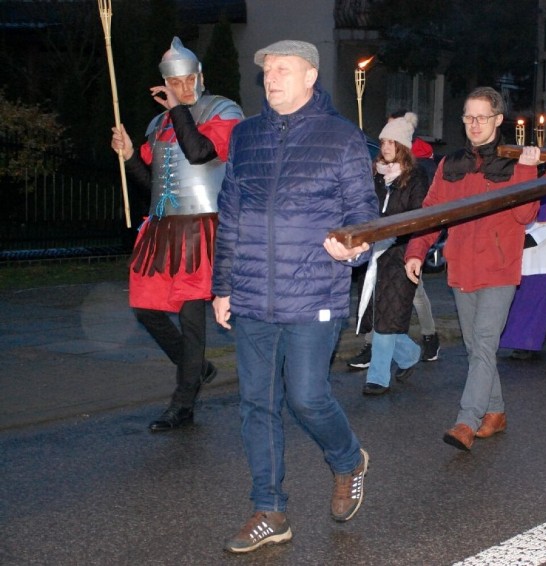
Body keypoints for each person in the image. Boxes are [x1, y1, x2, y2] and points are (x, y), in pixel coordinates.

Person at [211, 40, 378, 553]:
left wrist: (354, 248)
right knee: (256, 404)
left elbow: (369, 219)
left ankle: (348, 460)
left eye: (284, 69)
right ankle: (269, 510)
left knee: (307, 397)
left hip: (313, 294)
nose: (272, 77)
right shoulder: (246, 137)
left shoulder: (342, 138)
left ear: (311, 76)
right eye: (266, 71)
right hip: (253, 296)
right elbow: (230, 216)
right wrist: (221, 286)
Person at [109, 37, 243, 431]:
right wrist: (131, 154)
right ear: (165, 83)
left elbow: (201, 152)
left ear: (199, 76)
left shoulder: (223, 111)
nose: (183, 89)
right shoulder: (160, 123)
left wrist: (179, 110)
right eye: (175, 82)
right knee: (146, 306)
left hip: (203, 226)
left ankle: (183, 404)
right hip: (163, 228)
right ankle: (196, 367)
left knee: (191, 317)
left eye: (188, 80)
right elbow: (151, 182)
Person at [404, 86, 541, 451]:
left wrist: (528, 169)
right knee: (474, 348)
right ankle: (495, 412)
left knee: (482, 344)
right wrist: (417, 250)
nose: (474, 124)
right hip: (462, 268)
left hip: (499, 269)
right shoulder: (451, 165)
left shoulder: (516, 163)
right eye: (469, 117)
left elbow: (526, 214)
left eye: (482, 117)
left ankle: (467, 420)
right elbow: (431, 212)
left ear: (498, 120)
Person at [347, 111, 440, 369]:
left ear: (402, 146)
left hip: (401, 248)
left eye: (391, 142)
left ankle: (425, 340)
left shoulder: (415, 176)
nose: (386, 147)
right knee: (375, 302)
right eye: (383, 142)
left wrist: (395, 232)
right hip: (375, 250)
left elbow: (416, 212)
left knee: (403, 302)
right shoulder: (375, 173)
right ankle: (390, 350)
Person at [499, 192, 546, 359]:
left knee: (536, 302)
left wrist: (531, 239)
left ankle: (528, 343)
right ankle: (520, 341)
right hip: (517, 258)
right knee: (518, 303)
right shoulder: (518, 187)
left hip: (541, 257)